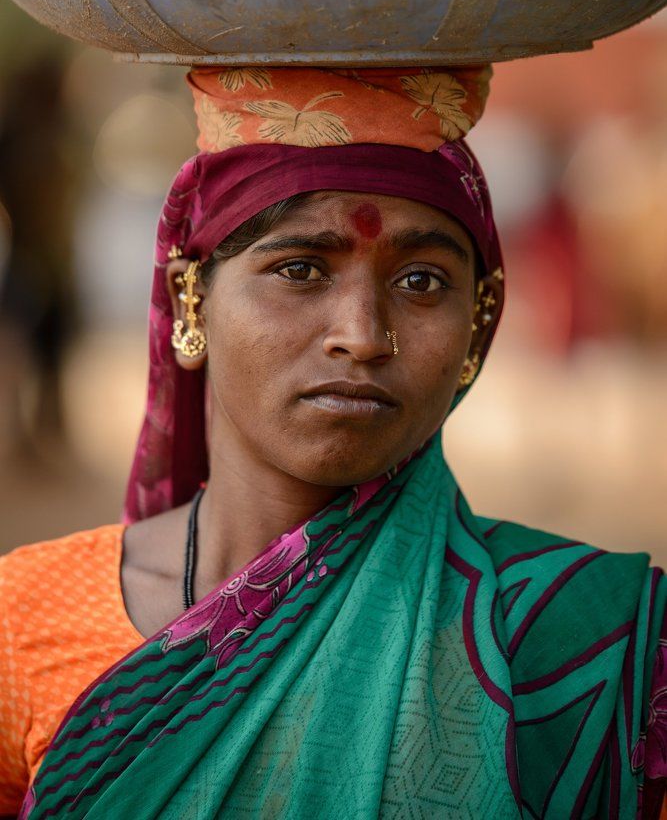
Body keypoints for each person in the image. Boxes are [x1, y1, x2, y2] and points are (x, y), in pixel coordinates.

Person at [0, 67, 664, 819]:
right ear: (192, 298)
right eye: (299, 269)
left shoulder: (590, 637)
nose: (362, 335)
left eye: (420, 281)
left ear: (477, 326)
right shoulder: (23, 619)